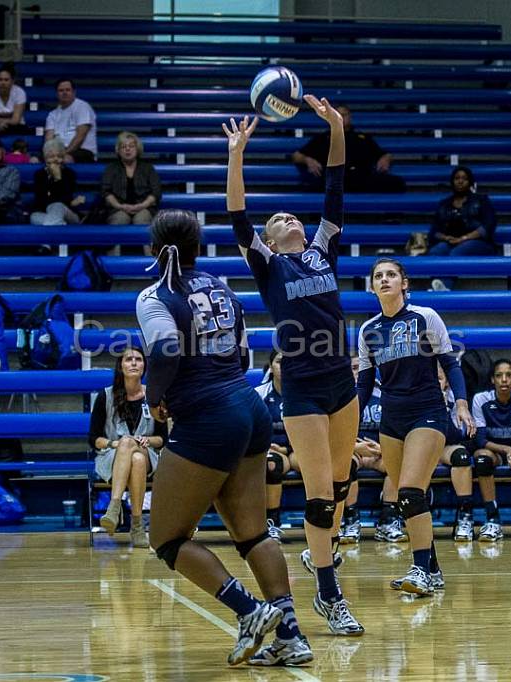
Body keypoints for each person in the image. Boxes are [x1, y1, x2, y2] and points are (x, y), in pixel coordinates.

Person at [137, 209, 313, 667]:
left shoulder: (155, 295)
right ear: (197, 247)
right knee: (252, 532)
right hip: (248, 407)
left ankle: (250, 612)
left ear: (155, 250)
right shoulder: (219, 284)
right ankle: (291, 636)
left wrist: (155, 399)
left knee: (168, 540)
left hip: (208, 416)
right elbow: (240, 350)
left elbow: (165, 351)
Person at [225, 97, 365, 636]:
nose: (286, 217)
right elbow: (238, 215)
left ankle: (319, 550)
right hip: (303, 387)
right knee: (320, 497)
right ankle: (329, 594)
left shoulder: (322, 249)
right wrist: (236, 155)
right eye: (276, 217)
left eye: (291, 215)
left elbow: (335, 183)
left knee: (342, 477)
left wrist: (334, 127)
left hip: (342, 382)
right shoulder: (268, 264)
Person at [356, 257, 474, 596]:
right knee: (408, 498)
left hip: (428, 412)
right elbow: (364, 385)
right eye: (378, 276)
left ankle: (420, 568)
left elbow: (450, 364)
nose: (384, 279)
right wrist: (347, 425)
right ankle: (432, 568)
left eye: (391, 274)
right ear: (372, 286)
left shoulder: (426, 316)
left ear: (404, 283)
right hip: (391, 419)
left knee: (409, 491)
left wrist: (462, 403)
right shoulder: (368, 331)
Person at [90, 347, 166, 548]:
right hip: (112, 456)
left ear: (144, 366)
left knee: (139, 454)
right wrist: (114, 443)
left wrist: (147, 441)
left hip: (148, 452)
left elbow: (162, 438)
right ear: (120, 366)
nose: (134, 363)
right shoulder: (105, 396)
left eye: (138, 359)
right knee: (133, 456)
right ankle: (137, 526)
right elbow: (94, 439)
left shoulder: (153, 396)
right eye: (129, 359)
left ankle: (114, 508)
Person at [337, 355, 406, 545]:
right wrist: (355, 447)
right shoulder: (338, 395)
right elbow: (330, 431)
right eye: (352, 367)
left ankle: (388, 520)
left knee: (396, 463)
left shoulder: (386, 392)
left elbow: (400, 427)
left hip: (381, 450)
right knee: (346, 464)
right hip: (351, 450)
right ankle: (351, 521)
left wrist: (385, 448)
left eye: (361, 367)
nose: (357, 371)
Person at [470, 358, 511, 542]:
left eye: (509, 375)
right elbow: (481, 440)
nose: (504, 380)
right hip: (495, 451)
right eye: (499, 376)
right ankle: (492, 519)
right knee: (482, 460)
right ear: (492, 380)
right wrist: (509, 450)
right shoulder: (481, 399)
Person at [291, 104, 404, 193]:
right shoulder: (323, 138)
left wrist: (386, 158)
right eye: (338, 114)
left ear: (350, 117)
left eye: (345, 114)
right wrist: (308, 160)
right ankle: (317, 220)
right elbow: (296, 155)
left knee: (397, 183)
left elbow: (384, 154)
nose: (341, 117)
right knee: (308, 186)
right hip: (332, 180)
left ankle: (391, 219)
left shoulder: (362, 138)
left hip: (360, 178)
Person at [426, 165, 498, 290]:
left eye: (464, 178)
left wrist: (464, 238)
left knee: (457, 252)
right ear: (452, 181)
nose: (460, 181)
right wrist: (446, 237)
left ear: (470, 182)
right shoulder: (444, 204)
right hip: (451, 241)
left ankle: (445, 287)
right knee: (436, 251)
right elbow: (434, 231)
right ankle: (437, 284)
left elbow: (489, 225)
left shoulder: (481, 200)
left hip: (478, 243)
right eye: (457, 178)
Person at [437, 364, 477, 543]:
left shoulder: (453, 400)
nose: (434, 383)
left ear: (446, 383)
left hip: (444, 447)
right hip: (418, 447)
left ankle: (465, 516)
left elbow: (455, 435)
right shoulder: (415, 398)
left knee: (461, 456)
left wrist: (443, 408)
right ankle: (394, 517)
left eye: (438, 379)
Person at [257, 350, 293, 543]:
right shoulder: (259, 394)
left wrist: (287, 449)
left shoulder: (301, 394)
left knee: (323, 467)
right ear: (271, 367)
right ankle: (272, 523)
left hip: (297, 449)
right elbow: (250, 428)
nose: (284, 366)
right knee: (272, 465)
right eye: (279, 362)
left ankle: (337, 522)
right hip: (268, 450)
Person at [102, 131, 162, 225]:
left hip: (144, 208)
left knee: (141, 219)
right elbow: (105, 192)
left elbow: (156, 191)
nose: (127, 149)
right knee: (120, 220)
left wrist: (143, 205)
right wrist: (119, 206)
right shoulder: (111, 169)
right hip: (117, 209)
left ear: (137, 149)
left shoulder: (148, 168)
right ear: (118, 150)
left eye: (131, 146)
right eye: (123, 147)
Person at [31, 138, 84, 225]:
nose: (56, 159)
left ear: (63, 158)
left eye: (59, 156)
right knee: (34, 217)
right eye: (51, 157)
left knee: (57, 205)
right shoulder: (39, 175)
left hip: (67, 213)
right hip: (43, 212)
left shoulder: (69, 174)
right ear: (45, 158)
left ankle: (56, 230)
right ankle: (60, 226)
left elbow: (65, 199)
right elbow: (42, 200)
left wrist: (58, 178)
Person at [44, 78, 97, 163]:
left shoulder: (83, 107)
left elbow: (80, 137)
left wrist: (63, 153)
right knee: (34, 160)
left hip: (83, 151)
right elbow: (48, 139)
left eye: (68, 90)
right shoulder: (52, 114)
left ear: (74, 92)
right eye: (61, 90)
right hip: (58, 151)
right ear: (57, 94)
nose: (64, 93)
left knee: (65, 160)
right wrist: (51, 154)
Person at [0, 64, 29, 135]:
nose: (3, 83)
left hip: (16, 126)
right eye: (0, 79)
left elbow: (16, 120)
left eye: (6, 80)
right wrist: (5, 119)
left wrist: (3, 121)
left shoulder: (20, 92)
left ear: (12, 81)